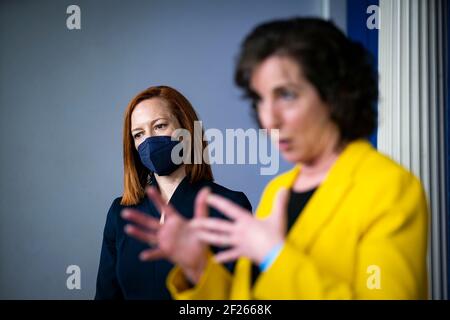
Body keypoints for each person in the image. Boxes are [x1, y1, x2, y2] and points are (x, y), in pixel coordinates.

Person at [123, 18, 429, 299]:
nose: (269, 118)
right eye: (259, 100)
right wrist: (199, 269)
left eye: (286, 95)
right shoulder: (276, 191)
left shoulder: (390, 188)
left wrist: (274, 255)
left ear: (336, 94)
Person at [95, 85, 252, 299]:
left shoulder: (227, 205)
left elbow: (239, 299)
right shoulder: (120, 213)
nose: (149, 141)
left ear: (186, 130)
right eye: (139, 134)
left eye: (160, 126)